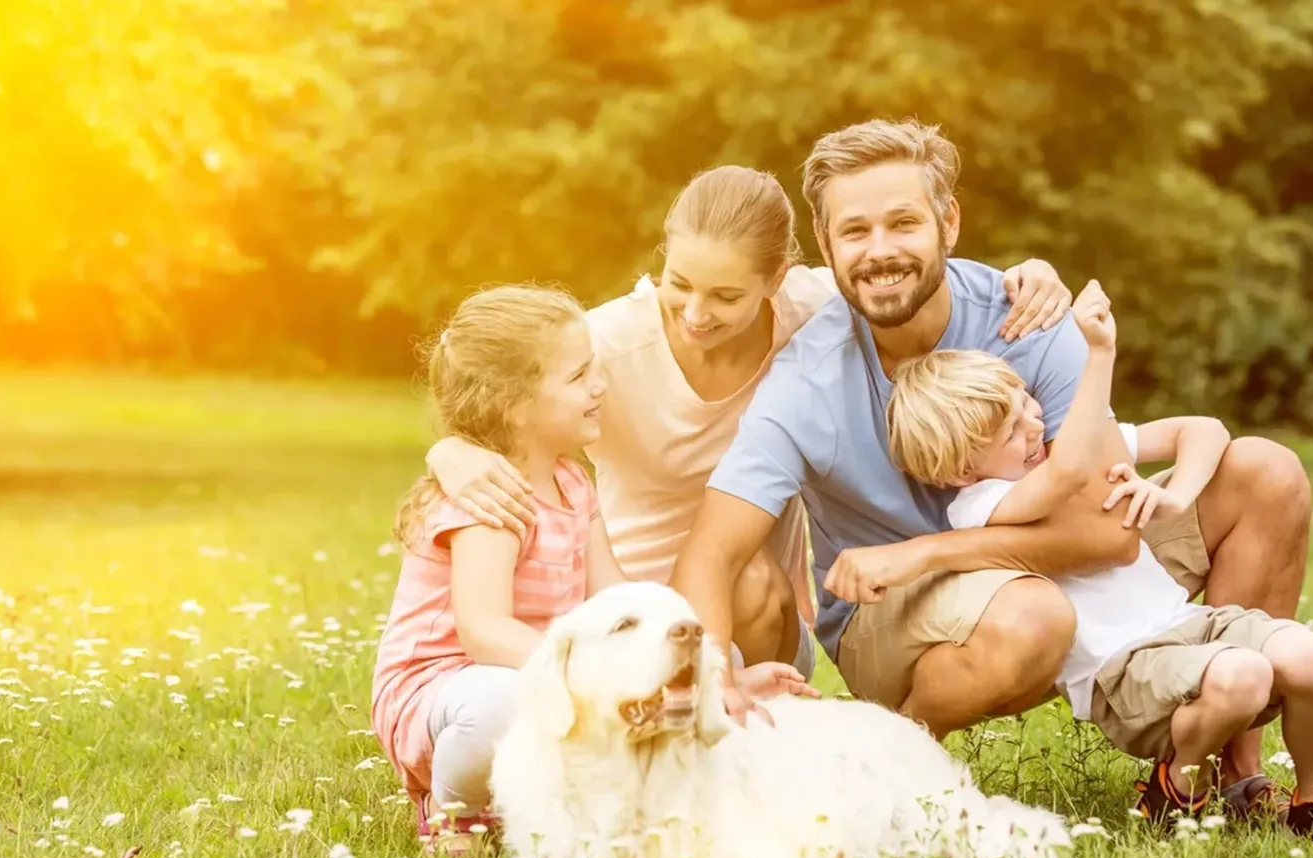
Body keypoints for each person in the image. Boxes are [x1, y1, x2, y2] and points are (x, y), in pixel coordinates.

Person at [669, 119, 1313, 816]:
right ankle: (895, 765)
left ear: (948, 222)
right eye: (854, 232)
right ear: (825, 246)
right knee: (1032, 615)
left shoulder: (1028, 320)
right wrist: (713, 680)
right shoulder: (807, 380)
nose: (880, 251)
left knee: (1265, 474)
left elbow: (1110, 537)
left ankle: (1231, 772)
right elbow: (710, 555)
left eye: (903, 223)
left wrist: (928, 551)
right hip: (899, 614)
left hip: (1043, 567)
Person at [421, 166, 1073, 710]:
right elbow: (493, 387)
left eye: (726, 296)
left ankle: (748, 738)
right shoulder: (605, 346)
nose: (695, 313)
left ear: (776, 279)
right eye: (679, 284)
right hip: (622, 600)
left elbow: (908, 274)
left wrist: (1029, 275)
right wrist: (448, 450)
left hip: (756, 614)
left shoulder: (813, 311)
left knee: (750, 578)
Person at [883, 280, 1313, 839]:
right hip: (1123, 669)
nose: (1036, 425)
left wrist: (1174, 495)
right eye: (1012, 431)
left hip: (1190, 624)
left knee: (1310, 657)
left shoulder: (1055, 448)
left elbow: (1204, 430)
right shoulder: (980, 505)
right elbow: (1063, 476)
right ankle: (1175, 790)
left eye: (1028, 403)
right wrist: (1097, 354)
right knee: (1244, 675)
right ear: (960, 470)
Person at [370, 283, 810, 858]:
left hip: (534, 670)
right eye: (579, 377)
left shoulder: (572, 482)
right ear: (514, 404)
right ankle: (455, 813)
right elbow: (483, 632)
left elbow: (618, 598)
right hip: (445, 690)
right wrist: (589, 674)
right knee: (506, 704)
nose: (600, 385)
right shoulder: (490, 499)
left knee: (698, 652)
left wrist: (712, 675)